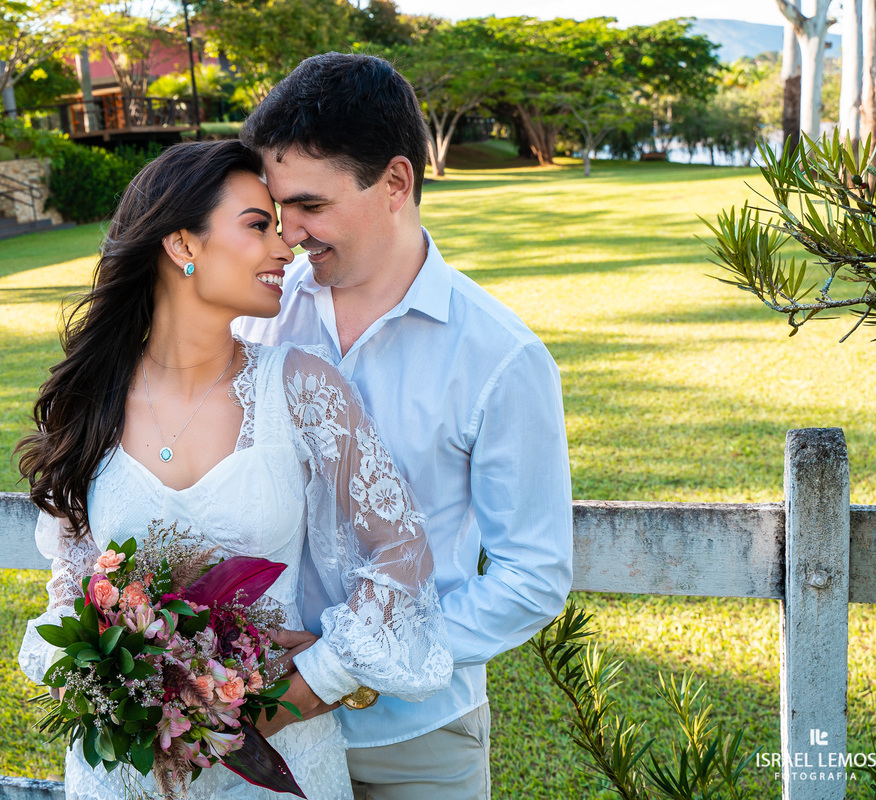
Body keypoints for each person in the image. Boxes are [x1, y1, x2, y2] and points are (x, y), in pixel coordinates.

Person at [14, 139, 453, 800]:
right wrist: (111, 690)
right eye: (257, 226)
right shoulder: (89, 403)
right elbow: (73, 592)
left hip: (280, 756)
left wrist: (317, 682)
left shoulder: (301, 387)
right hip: (129, 771)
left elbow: (402, 552)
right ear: (182, 244)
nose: (285, 248)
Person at [233, 53, 574, 800]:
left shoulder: (501, 356)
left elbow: (531, 577)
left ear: (395, 182)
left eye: (310, 205)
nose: (289, 233)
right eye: (279, 207)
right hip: (261, 734)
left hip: (419, 739)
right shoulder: (255, 318)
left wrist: (345, 667)